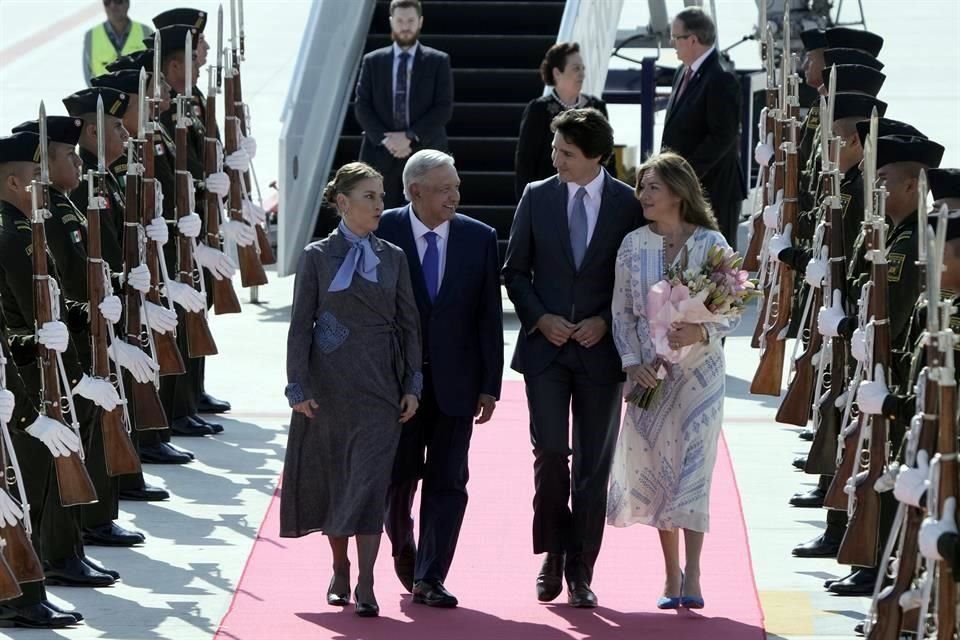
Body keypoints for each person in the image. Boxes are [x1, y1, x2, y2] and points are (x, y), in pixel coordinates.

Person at [502, 107, 643, 608]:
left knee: (592, 465)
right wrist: (541, 318)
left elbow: (638, 279)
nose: (555, 158)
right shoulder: (537, 197)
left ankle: (583, 568)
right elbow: (514, 271)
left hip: (601, 353)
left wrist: (605, 319)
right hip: (546, 351)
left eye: (566, 152)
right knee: (550, 456)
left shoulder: (628, 204)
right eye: (555, 149)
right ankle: (554, 553)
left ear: (596, 156)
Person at [280, 162, 422, 618]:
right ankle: (340, 566)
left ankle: (366, 581)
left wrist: (413, 385)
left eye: (381, 196)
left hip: (381, 390)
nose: (380, 205)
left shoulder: (395, 257)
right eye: (369, 196)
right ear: (342, 203)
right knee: (337, 482)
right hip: (329, 388)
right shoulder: (317, 256)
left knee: (369, 485)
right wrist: (297, 386)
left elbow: (409, 325)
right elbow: (301, 326)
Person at [606, 152, 738, 610]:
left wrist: (702, 329)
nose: (642, 196)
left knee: (694, 470)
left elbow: (733, 308)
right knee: (659, 470)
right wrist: (631, 363)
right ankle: (670, 573)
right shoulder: (631, 245)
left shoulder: (712, 243)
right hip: (650, 375)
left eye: (651, 188)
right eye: (641, 188)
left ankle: (696, 570)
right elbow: (621, 311)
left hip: (700, 375)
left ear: (678, 193)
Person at [376, 150, 503, 608]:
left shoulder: (479, 237)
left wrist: (490, 384)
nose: (455, 195)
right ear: (415, 192)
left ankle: (431, 575)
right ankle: (403, 543)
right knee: (397, 479)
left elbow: (489, 316)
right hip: (395, 385)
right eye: (445, 188)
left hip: (457, 383)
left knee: (449, 480)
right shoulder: (383, 229)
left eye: (457, 186)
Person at [354, 0, 453, 208]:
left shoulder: (438, 61)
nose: (405, 26)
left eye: (410, 20)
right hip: (379, 154)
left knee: (426, 214)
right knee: (377, 220)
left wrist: (409, 135)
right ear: (391, 21)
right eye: (400, 20)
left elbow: (443, 107)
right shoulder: (373, 61)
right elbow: (362, 105)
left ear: (420, 22)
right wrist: (385, 139)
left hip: (425, 151)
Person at [660, 7, 745, 248]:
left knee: (712, 272)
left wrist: (683, 176)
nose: (672, 43)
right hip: (683, 191)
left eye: (676, 37)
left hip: (712, 192)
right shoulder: (682, 72)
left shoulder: (721, 77)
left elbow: (723, 137)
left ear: (693, 40)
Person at [514, 42, 615, 199]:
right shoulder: (538, 109)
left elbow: (608, 157)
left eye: (583, 69)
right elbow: (525, 163)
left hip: (592, 197)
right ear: (557, 73)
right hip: (550, 198)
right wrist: (527, 203)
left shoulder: (596, 107)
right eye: (576, 68)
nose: (582, 74)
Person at [82, 0, 153, 86]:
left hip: (139, 97)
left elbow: (154, 70)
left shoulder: (146, 32)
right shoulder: (90, 36)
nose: (112, 6)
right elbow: (89, 77)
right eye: (107, 2)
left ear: (127, 3)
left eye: (117, 1)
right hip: (104, 98)